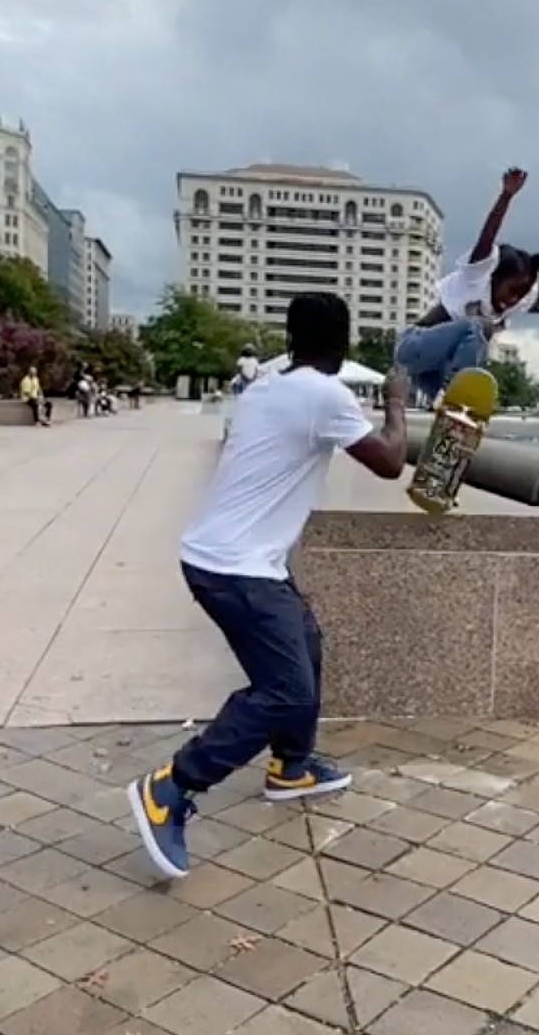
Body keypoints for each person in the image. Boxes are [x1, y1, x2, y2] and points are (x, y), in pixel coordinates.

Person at [125, 292, 412, 880]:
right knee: (283, 688)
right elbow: (389, 461)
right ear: (342, 342)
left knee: (306, 647)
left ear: (290, 338)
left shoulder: (267, 388)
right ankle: (171, 787)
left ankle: (291, 768)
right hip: (237, 569)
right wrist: (397, 405)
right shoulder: (323, 394)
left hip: (233, 559)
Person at [392, 168, 539, 405]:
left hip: (431, 371)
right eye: (512, 290)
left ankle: (449, 406)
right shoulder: (478, 274)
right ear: (495, 276)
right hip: (412, 347)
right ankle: (459, 388)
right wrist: (506, 196)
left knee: (451, 412)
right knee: (479, 327)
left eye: (520, 295)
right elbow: (487, 235)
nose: (513, 300)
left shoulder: (512, 305)